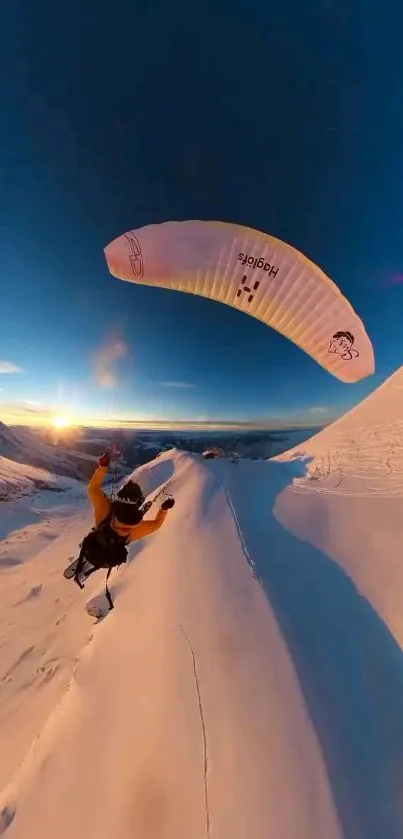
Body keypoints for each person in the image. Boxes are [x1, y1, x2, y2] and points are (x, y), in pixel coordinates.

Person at [88, 450, 175, 542]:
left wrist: (102, 467)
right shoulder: (134, 529)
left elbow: (93, 489)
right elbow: (157, 524)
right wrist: (164, 509)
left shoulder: (105, 509)